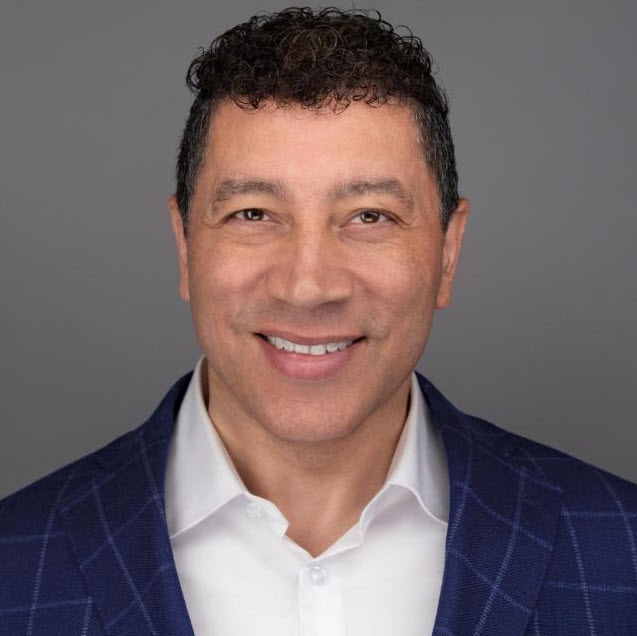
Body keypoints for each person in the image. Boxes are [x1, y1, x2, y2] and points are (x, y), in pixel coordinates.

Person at [1, 6, 636, 635]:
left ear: (448, 252)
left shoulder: (622, 548)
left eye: (370, 216)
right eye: (253, 214)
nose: (308, 287)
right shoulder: (14, 562)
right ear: (185, 246)